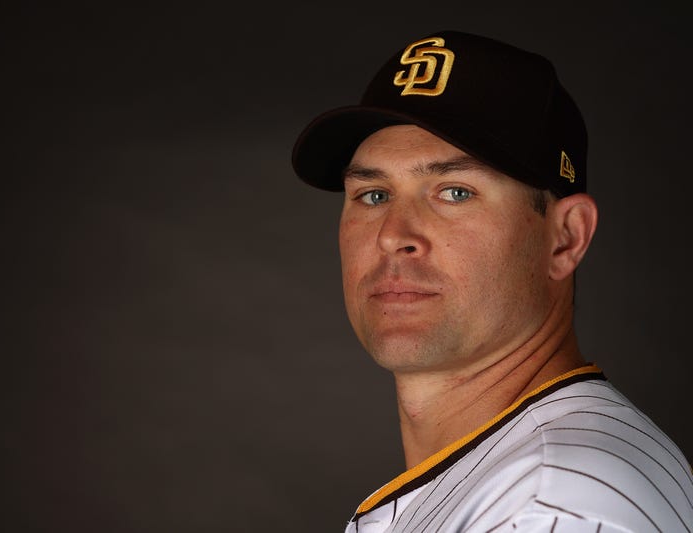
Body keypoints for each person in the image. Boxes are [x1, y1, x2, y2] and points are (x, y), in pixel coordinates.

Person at [291, 30, 693, 532]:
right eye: (373, 194)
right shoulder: (524, 477)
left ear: (565, 238)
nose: (393, 235)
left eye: (455, 192)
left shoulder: (554, 505)